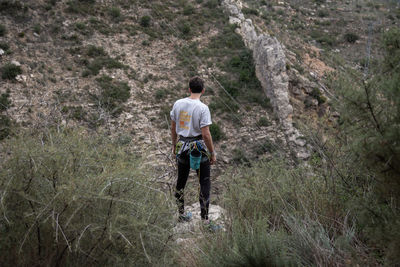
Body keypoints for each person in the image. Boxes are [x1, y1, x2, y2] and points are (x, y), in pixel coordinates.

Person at [170, 76, 216, 223]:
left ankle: (181, 214)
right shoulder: (203, 108)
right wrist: (212, 153)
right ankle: (205, 220)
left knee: (181, 182)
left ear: (189, 89)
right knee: (204, 183)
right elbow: (206, 134)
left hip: (182, 146)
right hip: (198, 148)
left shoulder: (178, 104)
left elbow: (173, 127)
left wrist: (173, 145)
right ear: (203, 90)